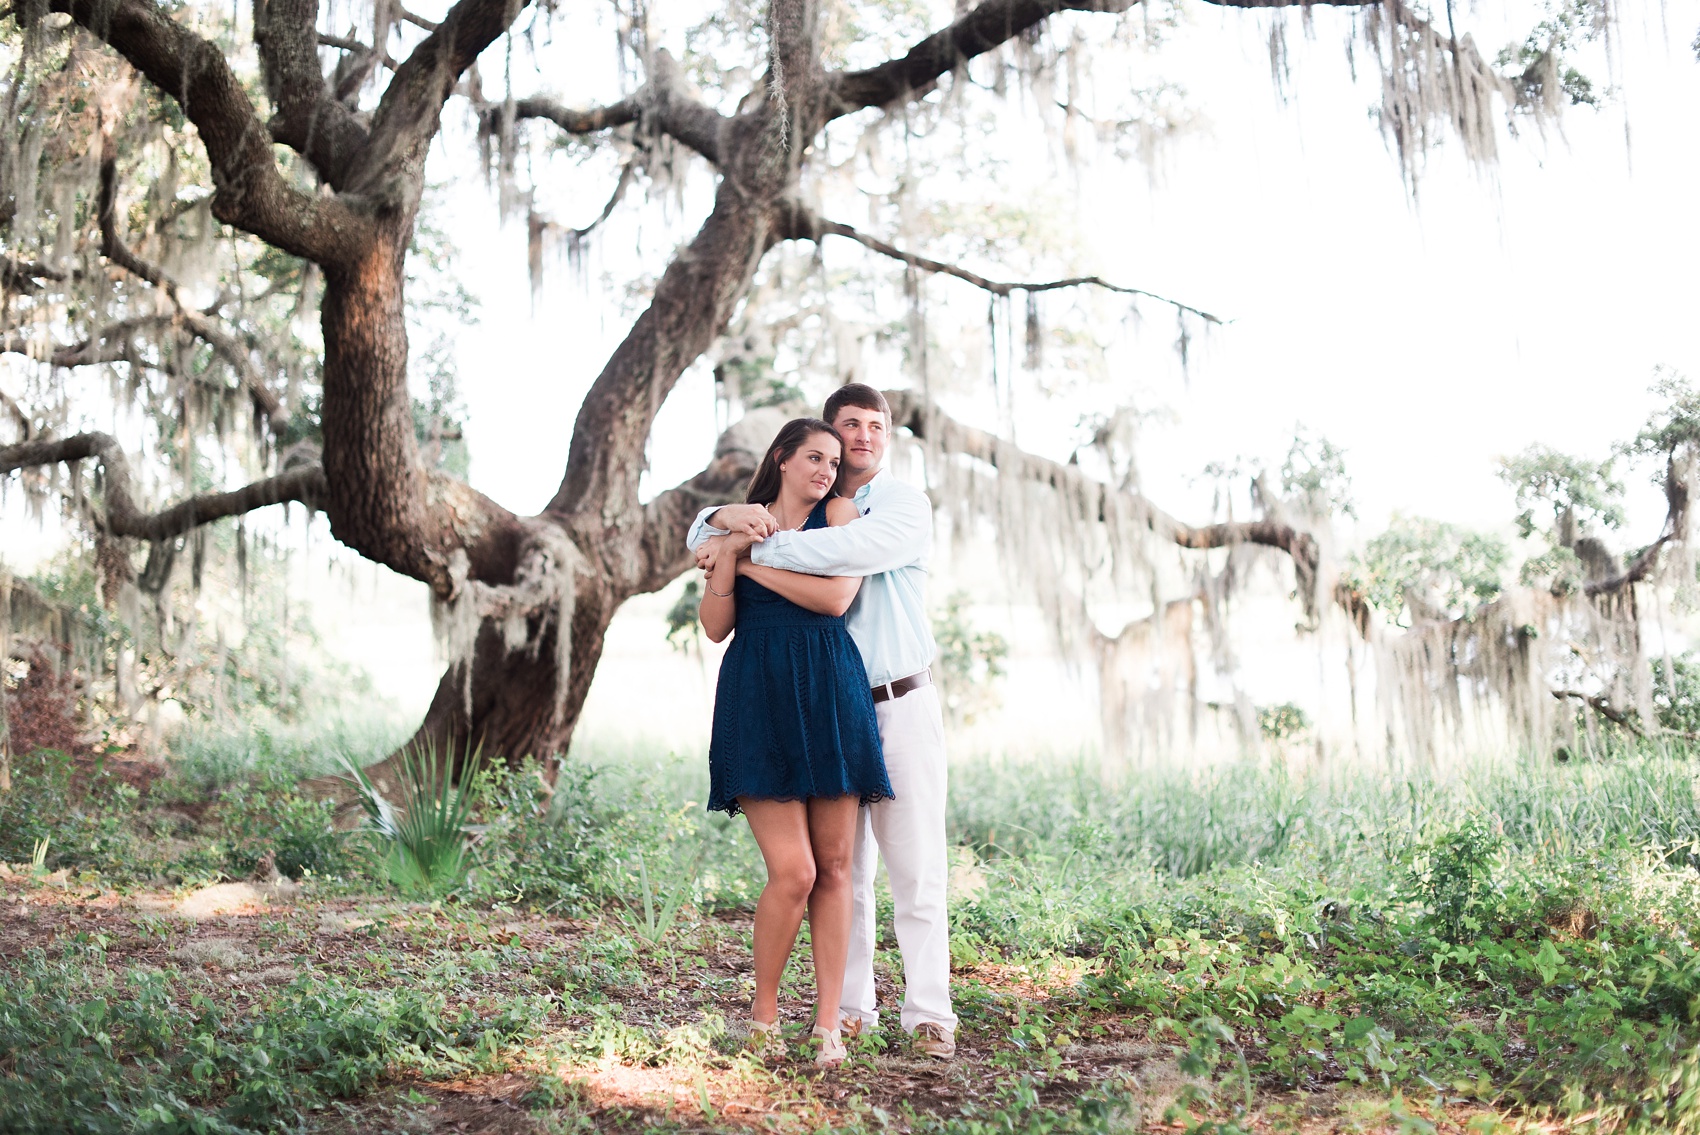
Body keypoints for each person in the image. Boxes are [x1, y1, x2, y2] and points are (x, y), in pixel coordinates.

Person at [690, 384, 959, 1060]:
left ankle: (928, 1015)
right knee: (833, 873)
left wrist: (742, 552)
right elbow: (704, 559)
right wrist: (722, 525)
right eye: (843, 432)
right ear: (789, 454)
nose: (853, 445)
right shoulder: (758, 515)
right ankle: (845, 1011)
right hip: (799, 698)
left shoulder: (889, 507)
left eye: (872, 428)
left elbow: (841, 584)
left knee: (911, 867)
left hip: (891, 697)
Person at [697, 416, 893, 1067]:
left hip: (829, 694)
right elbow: (715, 624)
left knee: (836, 867)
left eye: (833, 461)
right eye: (814, 457)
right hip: (758, 698)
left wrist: (751, 567)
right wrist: (732, 554)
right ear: (782, 457)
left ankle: (828, 1022)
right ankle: (764, 1015)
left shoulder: (839, 514)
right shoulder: (739, 527)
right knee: (795, 870)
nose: (826, 470)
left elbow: (837, 598)